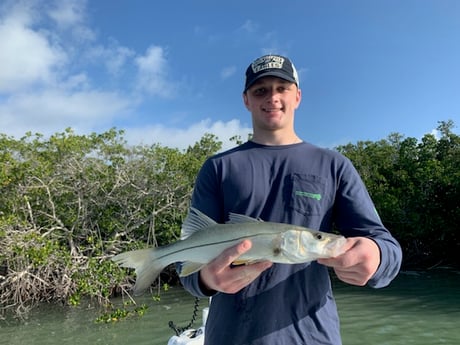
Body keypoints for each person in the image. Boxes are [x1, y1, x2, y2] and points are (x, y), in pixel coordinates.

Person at [179, 54, 402, 345]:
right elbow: (187, 263)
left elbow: (386, 247)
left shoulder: (334, 165)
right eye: (261, 90)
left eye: (281, 88)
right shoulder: (218, 167)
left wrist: (375, 256)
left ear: (297, 96)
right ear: (246, 100)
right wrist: (208, 279)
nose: (272, 97)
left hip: (313, 337)